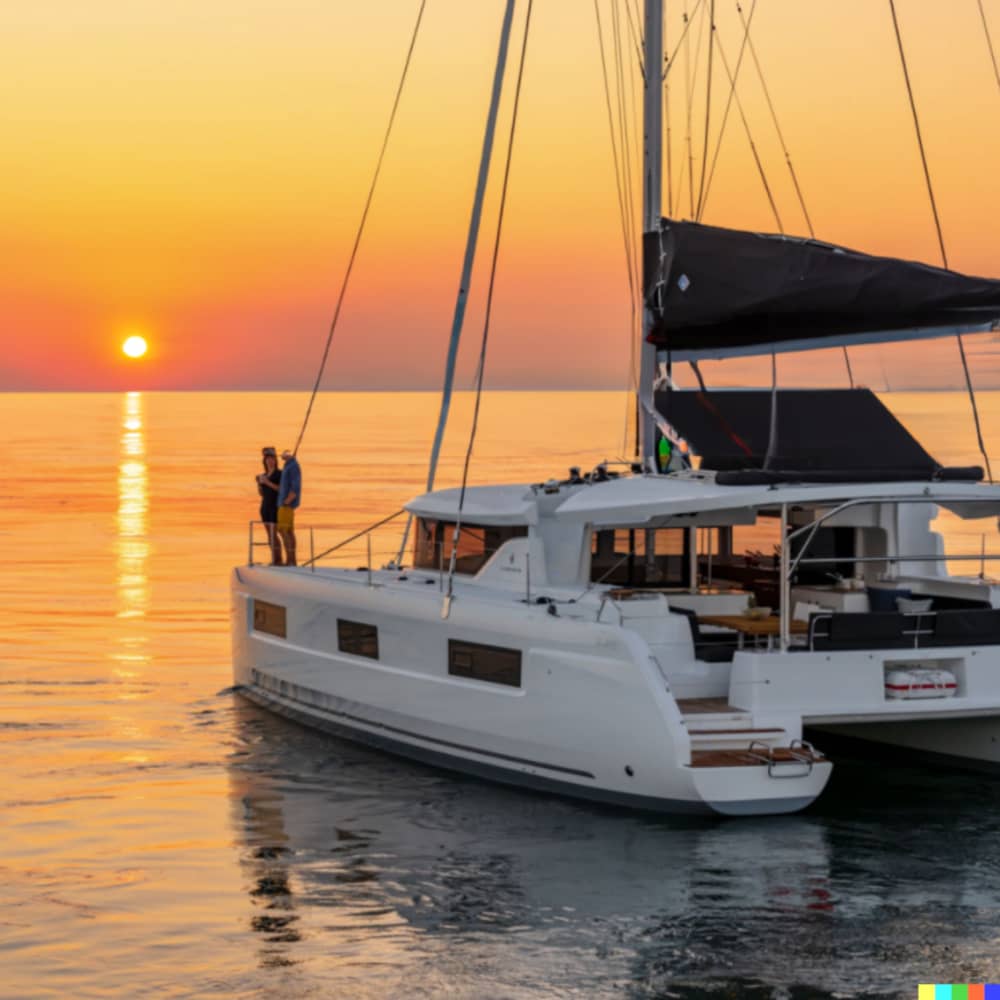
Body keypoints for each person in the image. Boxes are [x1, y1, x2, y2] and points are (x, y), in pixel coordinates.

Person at [256, 447, 283, 565]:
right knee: (269, 535)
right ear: (265, 461)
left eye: (272, 458)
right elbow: (262, 494)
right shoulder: (264, 475)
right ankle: (274, 558)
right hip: (265, 507)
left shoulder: (280, 474)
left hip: (275, 507)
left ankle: (279, 560)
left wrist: (267, 482)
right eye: (268, 459)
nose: (270, 461)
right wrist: (260, 484)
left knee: (274, 534)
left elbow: (281, 490)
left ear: (275, 460)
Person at [277, 449, 302, 567]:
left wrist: (287, 501)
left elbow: (295, 486)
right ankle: (292, 560)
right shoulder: (288, 466)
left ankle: (290, 560)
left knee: (283, 530)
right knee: (289, 531)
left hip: (286, 504)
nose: (283, 455)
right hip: (284, 503)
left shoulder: (293, 466)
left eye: (286, 453)